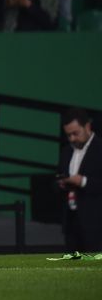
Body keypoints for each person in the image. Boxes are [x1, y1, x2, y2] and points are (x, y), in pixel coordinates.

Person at [59, 108, 101, 255]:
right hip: (72, 221)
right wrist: (62, 183)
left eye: (75, 133)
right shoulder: (66, 151)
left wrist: (82, 181)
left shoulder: (99, 149)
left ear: (87, 127)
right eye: (68, 135)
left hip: (96, 223)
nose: (72, 138)